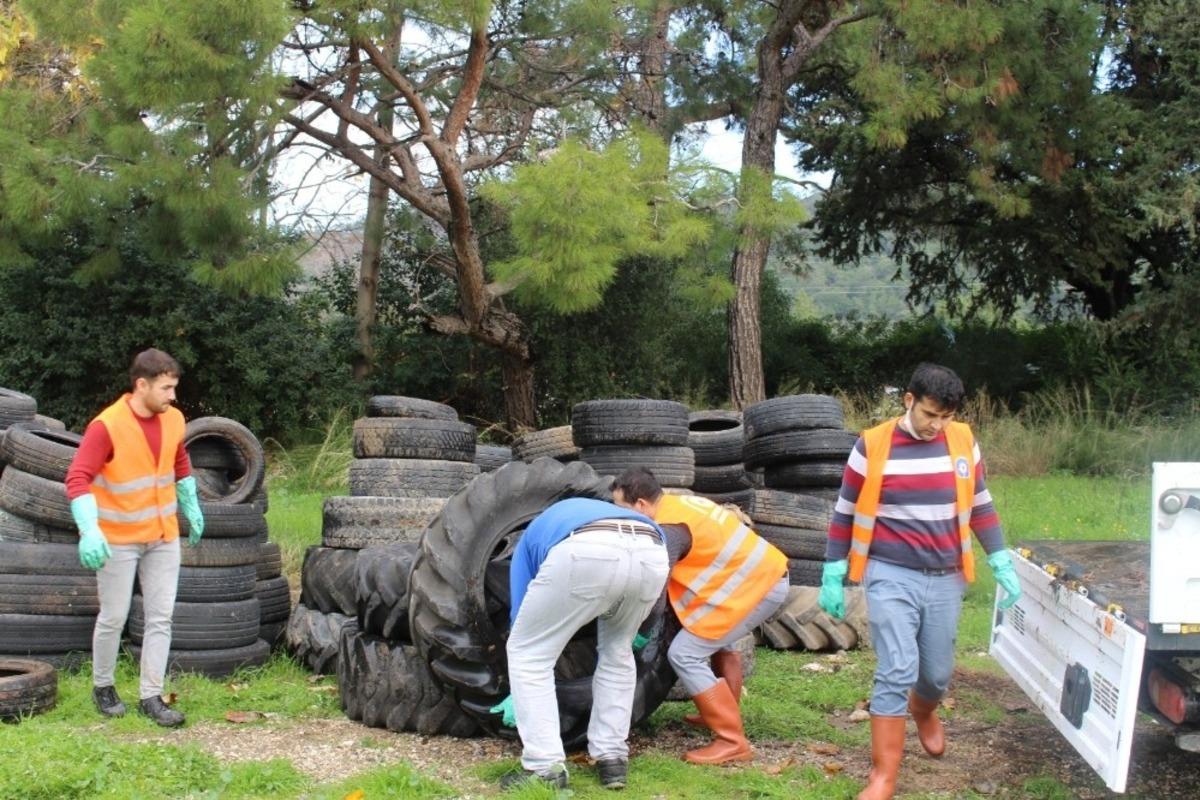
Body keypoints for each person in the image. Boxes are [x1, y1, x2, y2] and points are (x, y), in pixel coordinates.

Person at [819, 362, 1022, 800]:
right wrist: (833, 571)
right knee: (897, 668)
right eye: (930, 414)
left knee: (935, 674)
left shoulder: (964, 440)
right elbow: (844, 513)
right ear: (909, 400)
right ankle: (883, 777)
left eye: (946, 416)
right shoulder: (871, 445)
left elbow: (981, 505)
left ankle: (924, 708)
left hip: (946, 577)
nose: (937, 425)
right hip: (890, 573)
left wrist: (1000, 557)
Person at [65, 348, 205, 727]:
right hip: (118, 539)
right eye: (165, 388)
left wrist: (190, 503)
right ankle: (103, 686)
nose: (172, 396)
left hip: (163, 535)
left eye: (174, 388)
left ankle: (151, 696)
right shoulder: (106, 426)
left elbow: (178, 461)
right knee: (114, 616)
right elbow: (77, 478)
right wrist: (89, 530)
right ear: (141, 385)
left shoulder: (174, 418)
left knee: (161, 617)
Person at [612, 467, 789, 765]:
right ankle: (722, 713)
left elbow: (657, 585)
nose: (620, 516)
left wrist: (639, 628)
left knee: (684, 654)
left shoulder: (667, 528)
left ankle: (732, 741)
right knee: (722, 642)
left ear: (641, 504)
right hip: (758, 577)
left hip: (757, 587)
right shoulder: (681, 503)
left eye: (622, 508)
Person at [493, 496, 670, 791]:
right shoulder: (600, 512)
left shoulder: (530, 539)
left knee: (528, 653)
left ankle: (544, 767)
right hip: (652, 549)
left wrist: (519, 687)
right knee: (618, 651)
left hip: (586, 549)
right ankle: (612, 758)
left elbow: (521, 612)